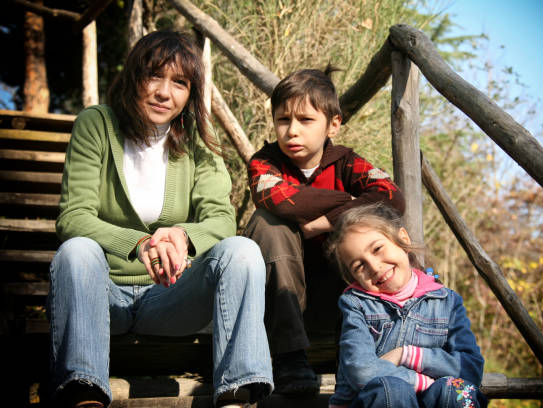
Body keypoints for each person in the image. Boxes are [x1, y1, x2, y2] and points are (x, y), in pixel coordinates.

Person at [48, 31, 273, 408]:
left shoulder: (197, 138)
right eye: (154, 75)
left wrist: (183, 236)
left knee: (242, 250)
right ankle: (83, 392)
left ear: (191, 92)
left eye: (180, 83)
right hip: (104, 296)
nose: (164, 93)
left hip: (172, 299)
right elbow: (73, 216)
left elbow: (219, 218)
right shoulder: (96, 124)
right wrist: (138, 243)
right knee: (76, 251)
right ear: (135, 75)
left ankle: (238, 394)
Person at [244, 66, 405, 395]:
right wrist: (351, 199)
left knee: (366, 230)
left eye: (305, 120)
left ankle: (366, 348)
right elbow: (276, 197)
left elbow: (391, 196)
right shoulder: (265, 162)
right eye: (283, 120)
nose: (292, 132)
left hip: (336, 295)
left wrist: (332, 219)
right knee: (267, 220)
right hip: (279, 298)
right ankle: (288, 357)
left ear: (333, 124)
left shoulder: (347, 163)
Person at [325, 203, 487, 408]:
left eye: (377, 249)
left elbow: (469, 369)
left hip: (438, 400)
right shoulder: (357, 305)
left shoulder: (447, 302)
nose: (375, 267)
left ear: (403, 239)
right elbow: (362, 371)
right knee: (392, 389)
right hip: (383, 401)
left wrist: (407, 354)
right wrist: (421, 382)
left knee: (455, 390)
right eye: (359, 266)